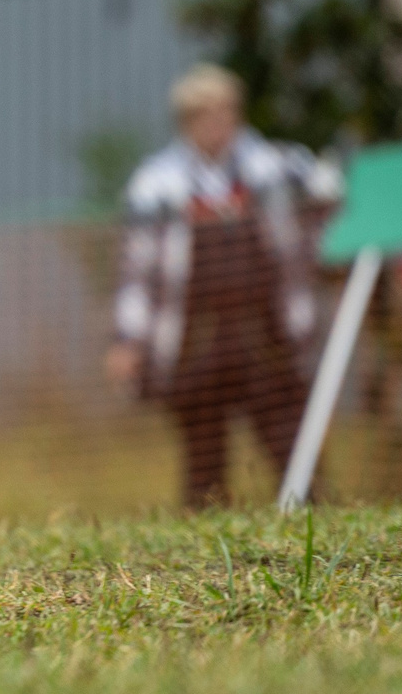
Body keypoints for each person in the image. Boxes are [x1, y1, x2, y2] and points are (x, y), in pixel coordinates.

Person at [108, 65, 343, 509]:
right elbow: (136, 273)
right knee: (204, 452)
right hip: (197, 341)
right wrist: (128, 339)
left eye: (226, 111)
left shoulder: (279, 167)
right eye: (205, 114)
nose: (218, 122)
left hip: (266, 333)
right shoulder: (156, 184)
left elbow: (331, 201)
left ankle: (312, 518)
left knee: (290, 438)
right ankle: (203, 542)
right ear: (186, 121)